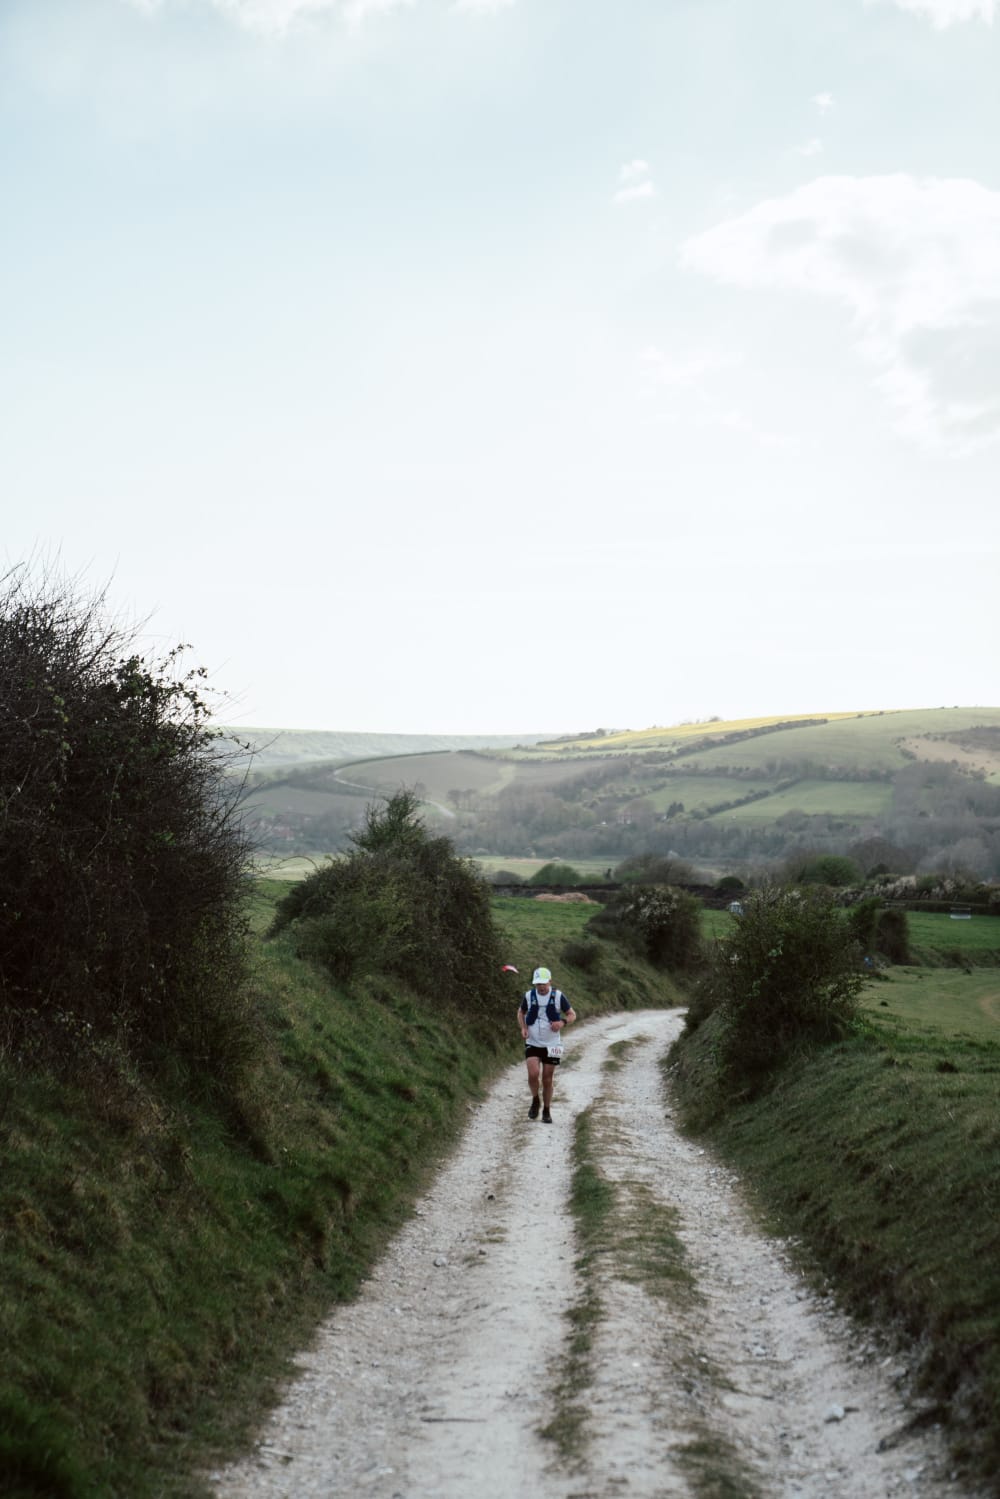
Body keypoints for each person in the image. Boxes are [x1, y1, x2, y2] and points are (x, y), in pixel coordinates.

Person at [518, 966, 576, 1123]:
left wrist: (562, 1022)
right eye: (538, 984)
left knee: (547, 1079)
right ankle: (535, 1100)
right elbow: (521, 1012)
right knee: (533, 1074)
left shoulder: (558, 996)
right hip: (533, 1042)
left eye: (543, 983)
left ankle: (547, 1110)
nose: (541, 987)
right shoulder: (529, 996)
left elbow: (572, 1014)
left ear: (550, 981)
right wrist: (523, 1028)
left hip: (553, 1044)